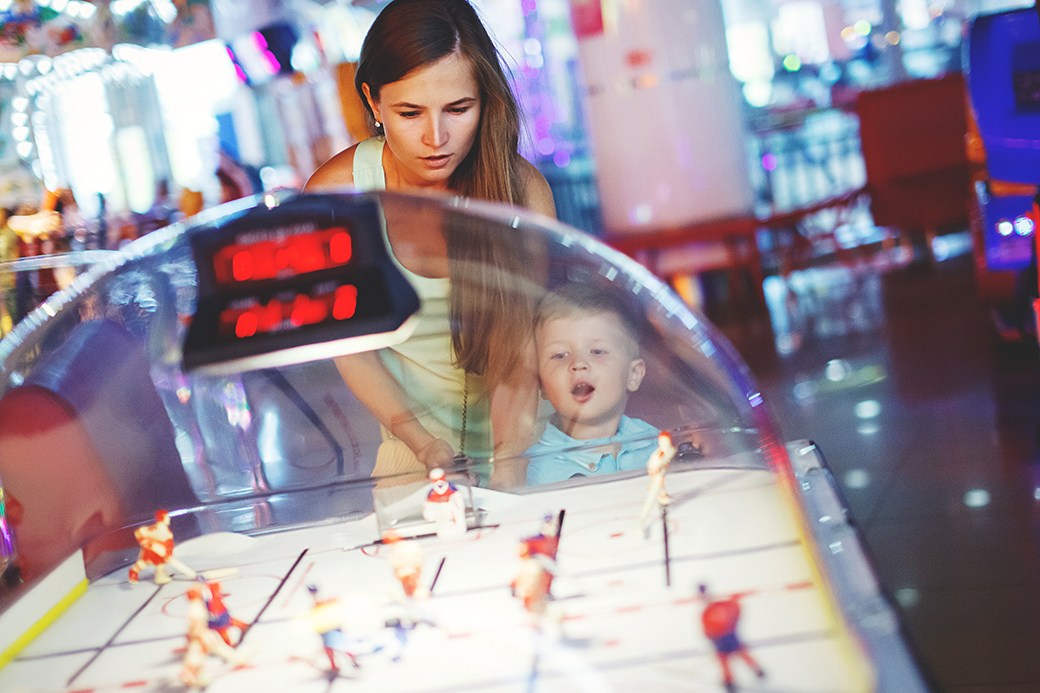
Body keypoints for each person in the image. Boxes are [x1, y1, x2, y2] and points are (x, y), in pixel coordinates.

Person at [304, 0, 556, 482]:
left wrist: (507, 470)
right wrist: (423, 444)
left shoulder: (522, 191)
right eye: (409, 112)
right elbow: (350, 349)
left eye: (458, 109)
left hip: (529, 446)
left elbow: (521, 350)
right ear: (374, 102)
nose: (435, 137)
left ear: (486, 100)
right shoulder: (336, 196)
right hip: (411, 454)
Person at [525, 283, 658, 485]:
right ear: (541, 383)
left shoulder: (657, 444)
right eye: (560, 355)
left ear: (633, 374)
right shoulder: (531, 471)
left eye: (597, 352)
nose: (578, 364)